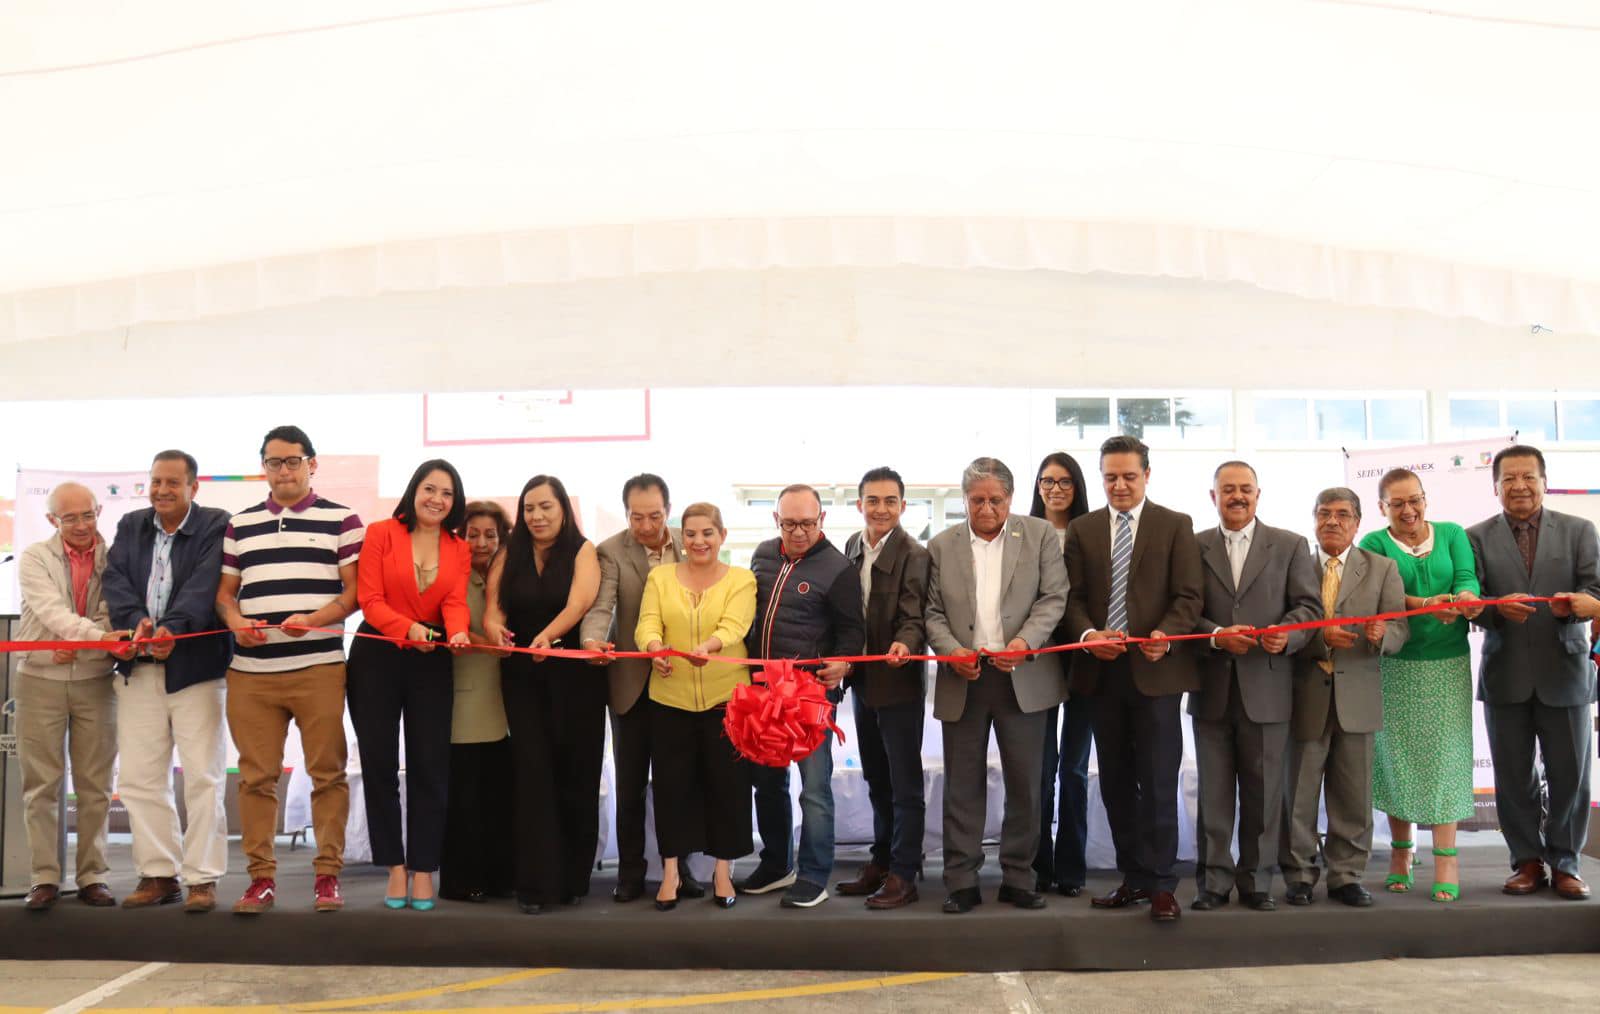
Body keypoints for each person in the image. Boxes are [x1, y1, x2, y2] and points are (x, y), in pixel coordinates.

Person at [216, 425, 363, 915]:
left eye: (293, 461)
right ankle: (260, 881)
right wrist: (236, 622)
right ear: (264, 467)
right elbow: (224, 595)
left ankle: (327, 877)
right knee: (255, 779)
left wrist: (314, 621)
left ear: (312, 464)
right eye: (274, 462)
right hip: (251, 672)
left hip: (317, 666)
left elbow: (352, 594)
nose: (283, 470)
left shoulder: (343, 520)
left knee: (328, 773)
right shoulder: (240, 524)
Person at [1064, 435, 1203, 923]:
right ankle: (1135, 878)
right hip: (1102, 674)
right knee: (1117, 785)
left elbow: (1189, 596)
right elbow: (1071, 597)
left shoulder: (1175, 525)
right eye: (1110, 477)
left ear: (1147, 474)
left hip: (1157, 673)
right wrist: (1085, 633)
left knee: (1160, 782)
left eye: (1128, 476)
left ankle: (1164, 884)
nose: (1119, 485)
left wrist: (1170, 632)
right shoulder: (1082, 530)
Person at [926, 457, 1068, 914]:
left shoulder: (1040, 535)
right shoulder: (941, 545)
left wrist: (1024, 642)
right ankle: (962, 880)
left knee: (1026, 784)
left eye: (996, 499)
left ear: (1010, 498)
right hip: (963, 677)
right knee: (962, 785)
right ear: (965, 500)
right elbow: (931, 612)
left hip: (1022, 676)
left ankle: (1019, 877)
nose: (986, 508)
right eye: (977, 500)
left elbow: (1054, 597)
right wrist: (952, 652)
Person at [101, 450, 233, 913]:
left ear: (193, 487)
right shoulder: (131, 525)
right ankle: (159, 874)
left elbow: (205, 584)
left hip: (196, 670)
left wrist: (171, 629)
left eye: (173, 483)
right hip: (140, 669)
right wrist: (137, 621)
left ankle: (201, 878)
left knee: (204, 776)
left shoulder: (216, 523)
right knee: (139, 779)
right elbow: (114, 578)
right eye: (156, 481)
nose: (162, 490)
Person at [1189, 461, 1322, 912]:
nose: (1237, 497)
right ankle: (1212, 882)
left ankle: (1257, 882)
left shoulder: (1289, 545)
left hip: (1269, 686)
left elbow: (1308, 608)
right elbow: (1183, 610)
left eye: (1245, 489)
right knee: (1214, 794)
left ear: (1258, 494)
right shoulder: (1193, 546)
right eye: (1228, 489)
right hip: (1211, 688)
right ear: (1214, 497)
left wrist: (1289, 634)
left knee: (1265, 794)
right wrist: (1213, 635)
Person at [1468, 445, 1597, 901]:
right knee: (1513, 775)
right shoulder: (1475, 537)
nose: (1519, 486)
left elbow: (1595, 587)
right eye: (1509, 479)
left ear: (1544, 481)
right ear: (1496, 486)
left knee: (1570, 775)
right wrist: (1494, 611)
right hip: (1505, 674)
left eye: (1528, 477)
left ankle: (1565, 863)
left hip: (1565, 671)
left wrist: (1581, 606)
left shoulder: (1581, 530)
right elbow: (1472, 602)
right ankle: (1525, 861)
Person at [347, 459, 473, 911]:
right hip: (376, 655)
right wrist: (407, 630)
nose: (437, 499)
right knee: (379, 766)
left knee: (430, 767)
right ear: (413, 491)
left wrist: (456, 631)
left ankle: (423, 869)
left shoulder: (459, 547)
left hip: (432, 660)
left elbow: (456, 601)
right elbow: (370, 599)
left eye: (447, 493)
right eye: (429, 489)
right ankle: (394, 868)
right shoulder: (381, 532)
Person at [1355, 467, 1483, 902]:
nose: (1408, 510)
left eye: (1415, 500)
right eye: (1397, 503)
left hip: (1448, 663)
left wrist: (1465, 599)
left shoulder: (1451, 533)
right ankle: (1401, 852)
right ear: (1382, 508)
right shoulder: (1373, 543)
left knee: (1448, 757)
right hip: (1396, 664)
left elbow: (1466, 578)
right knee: (1398, 758)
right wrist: (1424, 605)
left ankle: (1446, 858)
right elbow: (1381, 595)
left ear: (1426, 499)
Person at [737, 484, 865, 909]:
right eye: (789, 523)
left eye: (806, 523)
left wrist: (844, 664)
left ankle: (813, 874)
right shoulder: (762, 556)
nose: (797, 531)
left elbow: (853, 632)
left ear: (822, 520)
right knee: (767, 785)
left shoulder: (838, 568)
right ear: (776, 521)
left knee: (814, 789)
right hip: (763, 697)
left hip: (811, 700)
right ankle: (777, 864)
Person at [1282, 487, 1408, 907]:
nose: (1331, 521)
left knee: (1353, 796)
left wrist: (1381, 635)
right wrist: (1319, 639)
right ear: (1313, 520)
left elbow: (1399, 629)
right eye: (1323, 514)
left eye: (1341, 514)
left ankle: (1347, 875)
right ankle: (1299, 874)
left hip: (1358, 697)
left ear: (1357, 523)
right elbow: (1284, 626)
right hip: (1304, 696)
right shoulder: (1293, 563)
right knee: (1298, 793)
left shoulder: (1383, 568)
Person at [578, 474, 701, 903]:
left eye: (654, 516)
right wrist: (592, 640)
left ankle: (680, 868)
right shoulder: (611, 550)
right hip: (630, 684)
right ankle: (630, 871)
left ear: (668, 511)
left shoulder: (691, 543)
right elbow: (601, 605)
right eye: (636, 517)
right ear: (626, 512)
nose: (646, 526)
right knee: (630, 783)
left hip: (681, 681)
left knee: (677, 782)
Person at [484, 475, 604, 914]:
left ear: (562, 510)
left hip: (575, 678)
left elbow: (579, 604)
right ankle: (535, 885)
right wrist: (493, 628)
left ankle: (572, 879)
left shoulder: (583, 550)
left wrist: (547, 637)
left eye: (546, 507)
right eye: (530, 508)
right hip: (521, 679)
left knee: (576, 774)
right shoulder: (508, 553)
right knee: (533, 777)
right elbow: (493, 609)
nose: (537, 516)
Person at [635, 502, 756, 911]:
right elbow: (647, 622)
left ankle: (723, 871)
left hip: (727, 701)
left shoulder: (742, 579)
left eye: (707, 533)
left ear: (722, 535)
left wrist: (710, 646)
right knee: (671, 787)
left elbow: (736, 625)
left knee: (728, 786)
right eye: (690, 533)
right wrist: (654, 648)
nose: (698, 541)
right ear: (680, 538)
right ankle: (670, 870)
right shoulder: (660, 576)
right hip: (669, 698)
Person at [15, 482, 126, 911]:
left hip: (97, 680)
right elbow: (51, 612)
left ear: (99, 511)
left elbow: (111, 613)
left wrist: (83, 642)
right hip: (39, 679)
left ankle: (93, 876)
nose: (81, 525)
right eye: (69, 518)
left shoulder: (115, 558)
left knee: (96, 785)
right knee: (41, 785)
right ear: (51, 521)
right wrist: (95, 637)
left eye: (88, 515)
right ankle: (44, 877)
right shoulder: (33, 558)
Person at [836, 467, 929, 909]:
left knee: (904, 781)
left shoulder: (914, 552)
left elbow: (915, 614)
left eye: (890, 501)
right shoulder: (852, 547)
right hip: (863, 680)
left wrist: (904, 644)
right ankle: (882, 858)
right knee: (875, 776)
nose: (881, 509)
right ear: (859, 505)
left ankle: (905, 871)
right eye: (873, 500)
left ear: (903, 506)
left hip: (899, 679)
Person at [440, 500, 515, 903]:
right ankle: (460, 880)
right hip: (466, 701)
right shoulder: (453, 579)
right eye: (474, 534)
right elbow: (457, 637)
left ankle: (500, 876)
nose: (482, 542)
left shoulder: (509, 576)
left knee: (497, 797)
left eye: (491, 534)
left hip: (507, 705)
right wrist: (492, 646)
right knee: (465, 798)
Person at [1027, 451, 1093, 897]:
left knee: (1073, 768)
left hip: (1086, 664)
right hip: (1040, 661)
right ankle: (1037, 865)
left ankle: (1071, 867)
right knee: (1040, 769)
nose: (1055, 489)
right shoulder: (1024, 533)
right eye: (1047, 481)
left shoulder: (1091, 533)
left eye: (1065, 481)